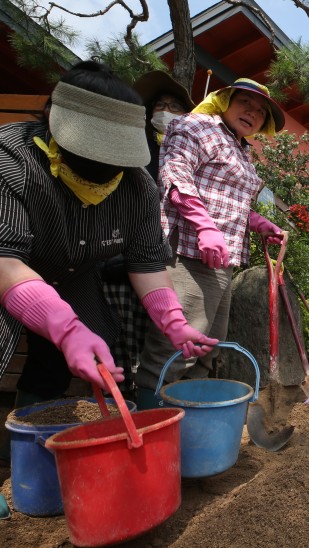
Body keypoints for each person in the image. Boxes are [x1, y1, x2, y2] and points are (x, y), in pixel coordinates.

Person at [0, 60, 217, 410]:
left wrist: (174, 321)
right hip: (12, 270)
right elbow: (4, 260)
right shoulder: (11, 158)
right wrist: (68, 329)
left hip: (71, 279)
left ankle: (27, 443)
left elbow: (146, 263)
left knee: (53, 364)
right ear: (52, 120)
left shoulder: (138, 188)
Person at [134, 78, 287, 408]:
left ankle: (190, 427)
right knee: (173, 350)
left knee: (206, 350)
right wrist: (204, 227)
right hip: (186, 254)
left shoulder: (240, 148)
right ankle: (148, 425)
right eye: (246, 102)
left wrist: (261, 224)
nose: (253, 113)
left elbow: (230, 204)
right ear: (225, 99)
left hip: (221, 262)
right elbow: (175, 174)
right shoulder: (197, 126)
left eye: (261, 112)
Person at [99, 71, 196, 387]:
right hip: (118, 249)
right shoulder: (132, 147)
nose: (166, 111)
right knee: (114, 331)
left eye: (175, 105)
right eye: (160, 105)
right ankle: (116, 394)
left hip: (163, 260)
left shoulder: (191, 154)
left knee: (153, 332)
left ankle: (143, 395)